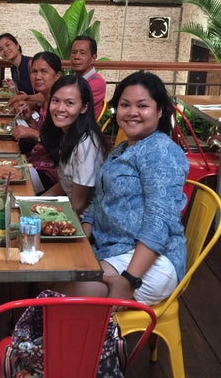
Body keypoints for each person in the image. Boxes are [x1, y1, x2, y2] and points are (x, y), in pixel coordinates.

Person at [57, 71, 189, 306]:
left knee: (64, 291)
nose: (132, 112)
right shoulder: (122, 149)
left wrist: (129, 279)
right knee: (50, 272)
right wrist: (81, 238)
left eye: (142, 106)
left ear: (160, 111)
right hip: (113, 249)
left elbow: (159, 221)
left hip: (149, 263)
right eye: (125, 105)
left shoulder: (160, 151)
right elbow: (99, 200)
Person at [40, 75, 108, 215]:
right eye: (55, 100)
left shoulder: (86, 145)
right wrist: (36, 202)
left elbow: (78, 205)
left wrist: (40, 213)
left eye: (69, 103)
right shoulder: (65, 133)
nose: (60, 108)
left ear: (84, 107)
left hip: (82, 221)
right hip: (68, 209)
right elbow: (66, 184)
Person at [12, 51, 62, 193]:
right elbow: (45, 132)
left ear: (57, 75)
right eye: (34, 72)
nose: (38, 76)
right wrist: (29, 120)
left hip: (51, 172)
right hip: (35, 160)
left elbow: (62, 145)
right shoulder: (46, 99)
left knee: (3, 181)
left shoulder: (60, 104)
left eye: (44, 71)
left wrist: (32, 133)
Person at [69, 36, 106, 119]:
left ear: (93, 58)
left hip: (82, 125)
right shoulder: (72, 79)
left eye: (82, 53)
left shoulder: (97, 82)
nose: (76, 57)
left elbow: (73, 107)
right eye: (74, 52)